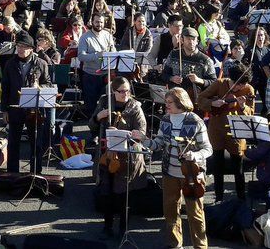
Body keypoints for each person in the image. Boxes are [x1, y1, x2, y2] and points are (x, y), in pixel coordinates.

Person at [142, 87, 211, 249]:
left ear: (180, 102)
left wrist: (194, 156)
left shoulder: (195, 121)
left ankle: (200, 246)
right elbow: (158, 144)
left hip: (192, 175)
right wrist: (144, 140)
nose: (166, 106)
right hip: (169, 172)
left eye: (169, 102)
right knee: (170, 211)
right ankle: (175, 244)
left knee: (195, 214)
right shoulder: (165, 119)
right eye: (166, 102)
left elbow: (208, 149)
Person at [89, 76, 146, 238]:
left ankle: (123, 228)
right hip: (107, 155)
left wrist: (125, 134)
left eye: (127, 90)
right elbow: (91, 126)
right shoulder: (104, 103)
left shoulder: (135, 107)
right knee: (107, 193)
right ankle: (107, 227)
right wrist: (98, 117)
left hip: (127, 157)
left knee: (123, 195)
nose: (125, 94)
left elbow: (142, 132)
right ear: (113, 91)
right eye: (121, 91)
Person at [196, 61, 254, 202]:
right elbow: (200, 98)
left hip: (237, 130)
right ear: (230, 79)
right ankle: (219, 198)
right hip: (217, 128)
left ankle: (241, 198)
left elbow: (251, 112)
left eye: (242, 85)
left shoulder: (248, 89)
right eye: (237, 84)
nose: (239, 87)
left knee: (238, 167)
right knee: (218, 166)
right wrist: (212, 103)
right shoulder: (219, 84)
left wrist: (242, 106)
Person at [0, 32, 52, 176]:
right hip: (15, 107)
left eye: (24, 47)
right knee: (13, 142)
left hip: (34, 109)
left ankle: (36, 173)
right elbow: (5, 88)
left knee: (36, 143)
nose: (20, 49)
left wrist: (39, 88)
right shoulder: (10, 64)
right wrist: (4, 110)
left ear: (31, 49)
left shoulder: (41, 63)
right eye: (18, 46)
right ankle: (12, 173)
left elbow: (48, 83)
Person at [243, 112, 270, 214]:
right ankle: (269, 211)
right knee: (269, 190)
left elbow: (257, 154)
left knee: (266, 193)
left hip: (268, 171)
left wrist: (245, 151)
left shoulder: (268, 141)